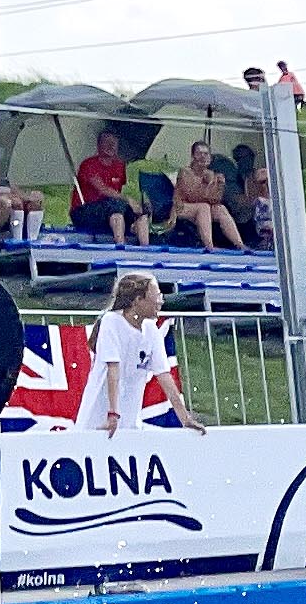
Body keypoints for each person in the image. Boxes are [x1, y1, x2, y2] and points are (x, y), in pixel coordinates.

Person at [90, 272, 209, 435]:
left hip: (129, 420)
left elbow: (164, 375)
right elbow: (113, 369)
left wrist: (185, 418)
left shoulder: (151, 329)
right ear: (138, 300)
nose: (160, 301)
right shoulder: (111, 322)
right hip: (100, 418)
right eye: (156, 296)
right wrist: (112, 414)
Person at [70, 129, 147, 245]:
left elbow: (119, 190)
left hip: (111, 211)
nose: (110, 146)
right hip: (85, 210)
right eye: (107, 142)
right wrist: (128, 200)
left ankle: (145, 249)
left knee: (140, 211)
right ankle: (120, 244)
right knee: (115, 205)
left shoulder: (120, 166)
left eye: (114, 143)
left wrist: (137, 207)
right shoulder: (89, 164)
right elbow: (102, 189)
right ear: (99, 145)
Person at [173, 140, 244, 250]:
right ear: (193, 156)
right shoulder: (185, 172)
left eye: (206, 154)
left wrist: (220, 185)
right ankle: (209, 245)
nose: (203, 157)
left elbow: (215, 199)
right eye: (199, 153)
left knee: (221, 208)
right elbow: (191, 196)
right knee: (203, 207)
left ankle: (240, 244)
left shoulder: (212, 174)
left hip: (201, 209)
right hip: (182, 207)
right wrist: (206, 185)